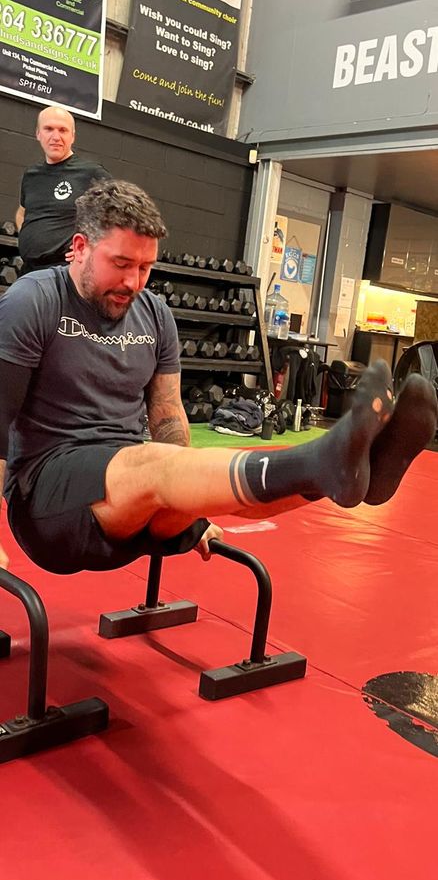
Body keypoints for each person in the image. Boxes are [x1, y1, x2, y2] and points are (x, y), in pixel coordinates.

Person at [0, 179, 436, 575]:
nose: (134, 281)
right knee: (149, 462)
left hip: (129, 504)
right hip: (49, 505)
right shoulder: (34, 301)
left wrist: (194, 502)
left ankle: (356, 476)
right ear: (79, 246)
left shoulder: (154, 315)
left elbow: (169, 416)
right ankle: (322, 457)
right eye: (121, 263)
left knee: (209, 485)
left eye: (146, 267)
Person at [15, 105, 111, 274]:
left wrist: (92, 246)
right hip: (28, 270)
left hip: (65, 272)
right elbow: (22, 213)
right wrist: (28, 237)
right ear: (38, 134)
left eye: (63, 130)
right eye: (49, 129)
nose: (56, 136)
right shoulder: (31, 175)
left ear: (72, 136)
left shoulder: (91, 173)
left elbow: (121, 217)